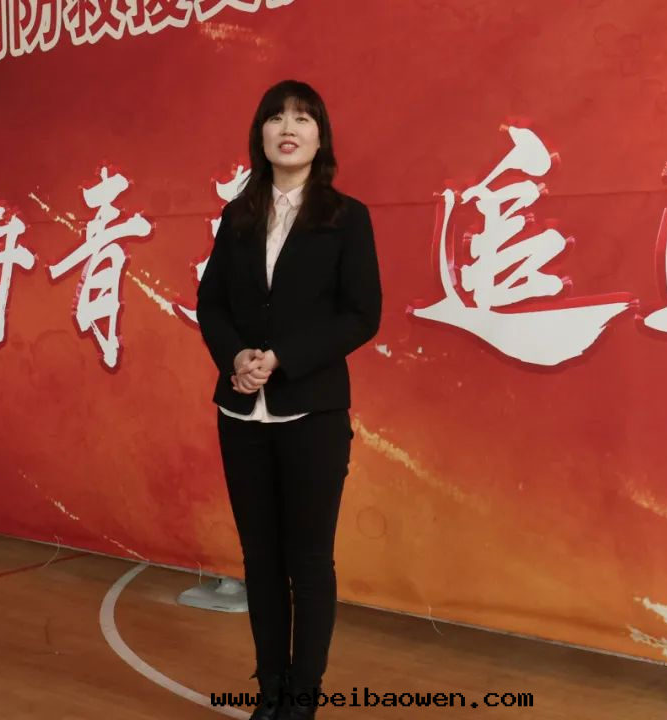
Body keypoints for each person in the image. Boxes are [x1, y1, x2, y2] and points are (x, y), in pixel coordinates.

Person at [196, 79, 381, 719]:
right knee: (260, 559)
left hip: (312, 414)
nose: (288, 128)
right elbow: (212, 305)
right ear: (261, 135)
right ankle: (270, 692)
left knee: (308, 561)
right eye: (276, 118)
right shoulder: (237, 216)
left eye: (302, 118)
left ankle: (302, 701)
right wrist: (236, 358)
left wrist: (281, 359)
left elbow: (362, 314)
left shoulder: (346, 217)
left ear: (320, 137)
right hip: (240, 412)